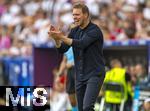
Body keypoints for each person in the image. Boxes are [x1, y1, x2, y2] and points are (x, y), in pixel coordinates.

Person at [48, 2, 106, 111]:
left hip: (94, 74)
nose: (75, 17)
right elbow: (62, 49)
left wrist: (61, 37)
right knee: (80, 108)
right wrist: (56, 39)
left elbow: (81, 44)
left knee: (87, 107)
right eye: (73, 15)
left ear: (86, 15)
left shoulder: (95, 30)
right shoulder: (74, 30)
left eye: (77, 15)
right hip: (80, 75)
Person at [57, 47, 77, 111]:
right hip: (69, 72)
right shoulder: (66, 46)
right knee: (71, 99)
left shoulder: (80, 41)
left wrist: (73, 63)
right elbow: (64, 61)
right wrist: (59, 73)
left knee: (80, 95)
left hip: (79, 70)